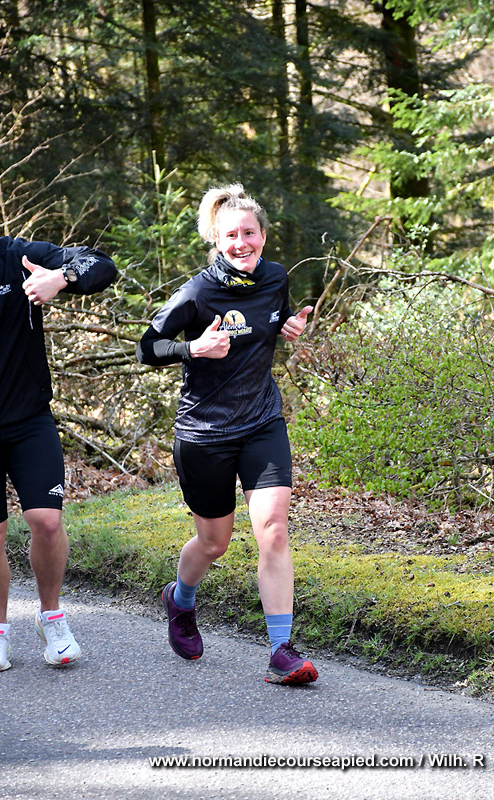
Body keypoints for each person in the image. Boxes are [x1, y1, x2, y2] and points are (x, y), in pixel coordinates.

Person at [137, 183, 318, 685]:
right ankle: (181, 599)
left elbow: (269, 321)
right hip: (204, 433)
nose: (242, 243)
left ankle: (281, 650)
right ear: (217, 241)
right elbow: (147, 348)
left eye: (249, 233)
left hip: (261, 421)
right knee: (213, 543)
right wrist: (192, 348)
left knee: (274, 530)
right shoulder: (197, 293)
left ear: (263, 236)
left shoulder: (275, 278)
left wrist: (288, 326)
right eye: (231, 235)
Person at [0, 235, 117, 671]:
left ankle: (51, 617)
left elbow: (101, 264)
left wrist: (62, 277)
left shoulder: (13, 256)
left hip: (28, 418)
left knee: (46, 520)